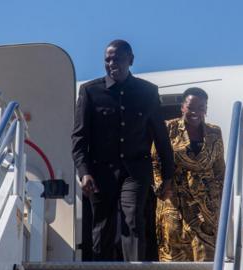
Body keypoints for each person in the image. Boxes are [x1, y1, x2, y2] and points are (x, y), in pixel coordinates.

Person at [72, 39, 174, 261]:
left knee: (133, 218)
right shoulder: (90, 91)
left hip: (135, 170)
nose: (111, 63)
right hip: (100, 172)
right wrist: (84, 171)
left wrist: (167, 177)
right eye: (107, 59)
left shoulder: (147, 92)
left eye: (116, 58)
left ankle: (134, 266)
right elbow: (79, 137)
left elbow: (161, 137)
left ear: (131, 60)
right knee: (102, 226)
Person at [152, 87, 225, 261]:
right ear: (182, 107)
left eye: (201, 108)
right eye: (191, 107)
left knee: (206, 256)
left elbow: (219, 168)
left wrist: (220, 198)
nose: (195, 112)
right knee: (174, 254)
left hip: (206, 205)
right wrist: (161, 186)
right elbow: (155, 161)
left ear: (206, 109)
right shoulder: (168, 128)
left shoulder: (215, 132)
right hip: (174, 201)